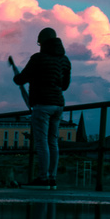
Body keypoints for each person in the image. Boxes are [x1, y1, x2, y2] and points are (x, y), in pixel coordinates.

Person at [13, 28, 71, 188]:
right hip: (58, 104)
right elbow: (65, 86)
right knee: (53, 142)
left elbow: (21, 79)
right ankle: (52, 177)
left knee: (41, 142)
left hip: (42, 104)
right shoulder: (65, 60)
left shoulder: (38, 58)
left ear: (42, 42)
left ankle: (43, 178)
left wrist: (18, 76)